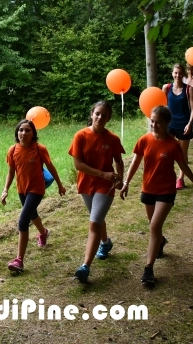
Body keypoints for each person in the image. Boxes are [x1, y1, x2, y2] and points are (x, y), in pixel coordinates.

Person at [120, 105, 193, 286]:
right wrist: (126, 183)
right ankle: (161, 241)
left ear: (166, 123)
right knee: (154, 228)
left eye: (158, 122)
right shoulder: (144, 140)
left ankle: (148, 268)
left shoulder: (173, 144)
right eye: (152, 121)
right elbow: (135, 163)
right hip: (148, 189)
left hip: (166, 191)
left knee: (154, 227)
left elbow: (183, 166)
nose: (153, 125)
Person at [68, 101, 125, 283]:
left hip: (105, 185)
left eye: (104, 115)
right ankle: (106, 243)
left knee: (93, 223)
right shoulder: (80, 136)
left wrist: (120, 180)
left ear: (109, 118)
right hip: (86, 183)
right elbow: (78, 164)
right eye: (97, 113)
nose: (100, 117)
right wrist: (102, 173)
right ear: (92, 113)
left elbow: (119, 161)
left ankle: (85, 267)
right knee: (97, 218)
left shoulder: (113, 139)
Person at [1, 119, 66, 272]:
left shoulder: (39, 149)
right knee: (32, 214)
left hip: (37, 189)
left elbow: (51, 167)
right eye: (21, 130)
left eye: (27, 130)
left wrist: (60, 185)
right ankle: (43, 233)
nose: (23, 133)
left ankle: (19, 260)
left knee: (23, 221)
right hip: (21, 190)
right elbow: (11, 172)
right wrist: (5, 190)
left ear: (33, 134)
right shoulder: (12, 150)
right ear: (17, 133)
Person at [161, 64, 193, 189]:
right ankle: (166, 176)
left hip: (184, 124)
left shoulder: (189, 89)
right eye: (176, 73)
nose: (178, 75)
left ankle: (180, 179)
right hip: (169, 124)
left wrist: (190, 123)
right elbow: (162, 106)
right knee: (165, 151)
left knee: (182, 154)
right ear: (172, 73)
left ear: (183, 74)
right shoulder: (166, 87)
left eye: (180, 73)